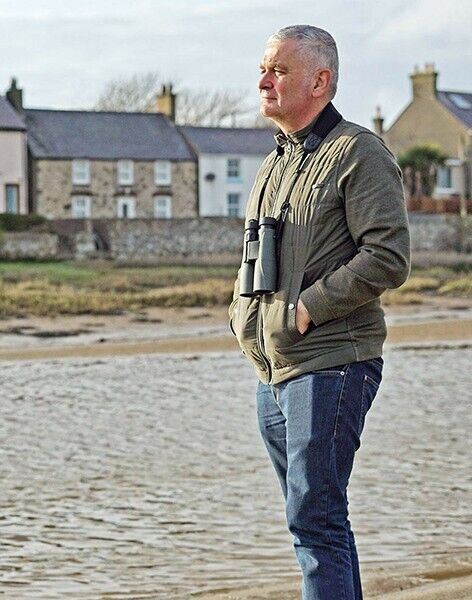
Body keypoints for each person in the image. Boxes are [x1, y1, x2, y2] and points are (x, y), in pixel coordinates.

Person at [228, 25, 411, 600]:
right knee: (313, 520)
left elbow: (387, 257)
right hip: (273, 368)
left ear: (320, 81)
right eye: (264, 69)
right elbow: (257, 256)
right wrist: (240, 316)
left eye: (279, 70)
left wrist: (308, 307)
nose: (264, 81)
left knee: (315, 518)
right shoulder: (273, 164)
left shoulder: (359, 152)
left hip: (332, 362)